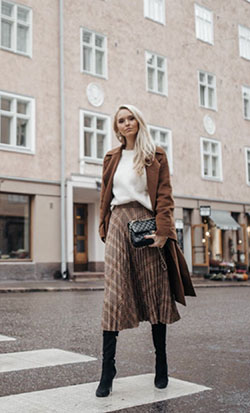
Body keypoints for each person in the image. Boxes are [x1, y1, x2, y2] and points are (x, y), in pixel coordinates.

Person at [96, 104, 196, 398]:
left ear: (138, 122)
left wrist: (164, 231)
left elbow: (165, 196)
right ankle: (107, 370)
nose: (126, 124)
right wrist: (103, 225)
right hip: (118, 223)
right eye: (121, 121)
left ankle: (161, 363)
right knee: (113, 294)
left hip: (147, 225)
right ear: (117, 127)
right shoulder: (112, 157)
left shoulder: (155, 154)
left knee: (155, 293)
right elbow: (105, 194)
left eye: (130, 119)